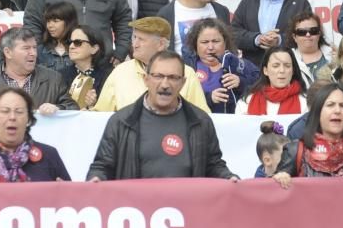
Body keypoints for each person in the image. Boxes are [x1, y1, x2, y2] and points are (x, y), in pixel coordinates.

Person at [87, 51, 237, 180]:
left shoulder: (201, 122)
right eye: (158, 76)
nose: (165, 84)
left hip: (187, 210)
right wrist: (96, 179)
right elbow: (102, 167)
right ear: (146, 79)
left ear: (183, 82)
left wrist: (228, 177)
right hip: (137, 211)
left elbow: (214, 165)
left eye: (173, 77)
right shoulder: (121, 122)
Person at [272, 83, 343, 186]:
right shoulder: (295, 150)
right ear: (318, 112)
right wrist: (278, 179)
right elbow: (273, 196)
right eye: (330, 105)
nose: (337, 110)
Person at [95, 17, 210, 112]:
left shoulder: (186, 73)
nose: (135, 44)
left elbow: (201, 116)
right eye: (134, 38)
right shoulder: (120, 72)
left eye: (141, 39)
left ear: (160, 44)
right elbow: (100, 114)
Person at [0, 27, 75, 112]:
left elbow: (73, 108)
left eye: (34, 48)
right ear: (8, 52)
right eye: (26, 48)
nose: (33, 53)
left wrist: (58, 108)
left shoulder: (54, 79)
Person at [184, 18, 258, 114]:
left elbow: (263, 86)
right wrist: (208, 98)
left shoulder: (240, 65)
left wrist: (241, 82)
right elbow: (179, 98)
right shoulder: (186, 67)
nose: (210, 47)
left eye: (215, 41)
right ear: (195, 44)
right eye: (205, 42)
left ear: (225, 42)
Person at [236, 46, 309, 115]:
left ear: (293, 70)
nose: (282, 70)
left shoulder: (306, 102)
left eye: (287, 66)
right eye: (276, 66)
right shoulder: (247, 101)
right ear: (265, 70)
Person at [63, 24, 113, 110]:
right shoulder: (60, 75)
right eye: (69, 42)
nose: (71, 46)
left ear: (94, 48)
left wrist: (94, 105)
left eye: (77, 43)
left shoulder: (108, 76)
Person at [288, 12, 332, 84]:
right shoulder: (287, 59)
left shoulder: (335, 56)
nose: (308, 35)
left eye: (313, 31)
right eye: (301, 32)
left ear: (319, 33)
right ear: (294, 37)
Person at [38, 2, 76, 74]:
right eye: (48, 21)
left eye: (55, 21)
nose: (50, 26)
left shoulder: (79, 48)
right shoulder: (40, 51)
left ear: (68, 22)